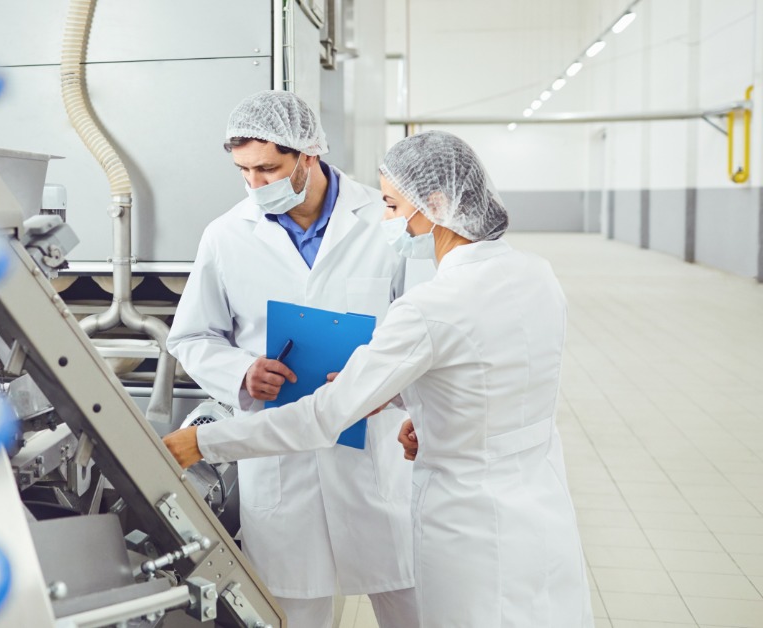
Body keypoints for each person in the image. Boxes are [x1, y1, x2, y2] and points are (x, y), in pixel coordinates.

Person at [165, 130, 594, 628]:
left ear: (433, 205)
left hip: (465, 518)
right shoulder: (536, 273)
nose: (384, 219)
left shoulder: (431, 307)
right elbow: (490, 372)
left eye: (391, 205)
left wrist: (203, 441)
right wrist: (420, 404)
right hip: (539, 503)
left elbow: (323, 417)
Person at [166, 90, 419, 628]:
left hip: (371, 449)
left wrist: (386, 385)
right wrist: (241, 372)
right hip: (280, 460)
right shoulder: (226, 235)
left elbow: (424, 333)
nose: (255, 185)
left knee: (408, 601)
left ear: (309, 155)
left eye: (268, 169)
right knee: (292, 610)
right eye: (243, 171)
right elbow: (190, 338)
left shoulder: (385, 222)